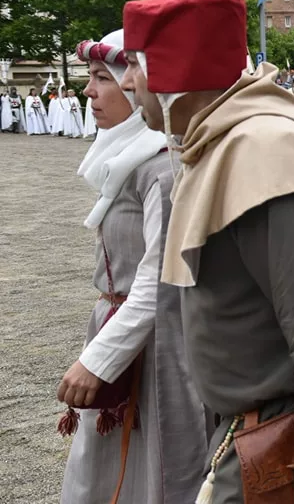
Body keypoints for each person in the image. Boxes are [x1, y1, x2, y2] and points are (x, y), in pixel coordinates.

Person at [120, 0, 294, 503]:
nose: (127, 82)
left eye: (137, 65)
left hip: (289, 428)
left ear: (173, 72)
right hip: (254, 425)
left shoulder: (266, 155)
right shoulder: (219, 144)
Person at [59, 30, 208, 504]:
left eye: (102, 77)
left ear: (134, 84)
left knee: (163, 466)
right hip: (120, 326)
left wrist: (100, 360)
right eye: (91, 77)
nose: (90, 91)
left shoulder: (161, 169)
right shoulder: (125, 159)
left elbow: (159, 281)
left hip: (158, 343)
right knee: (106, 469)